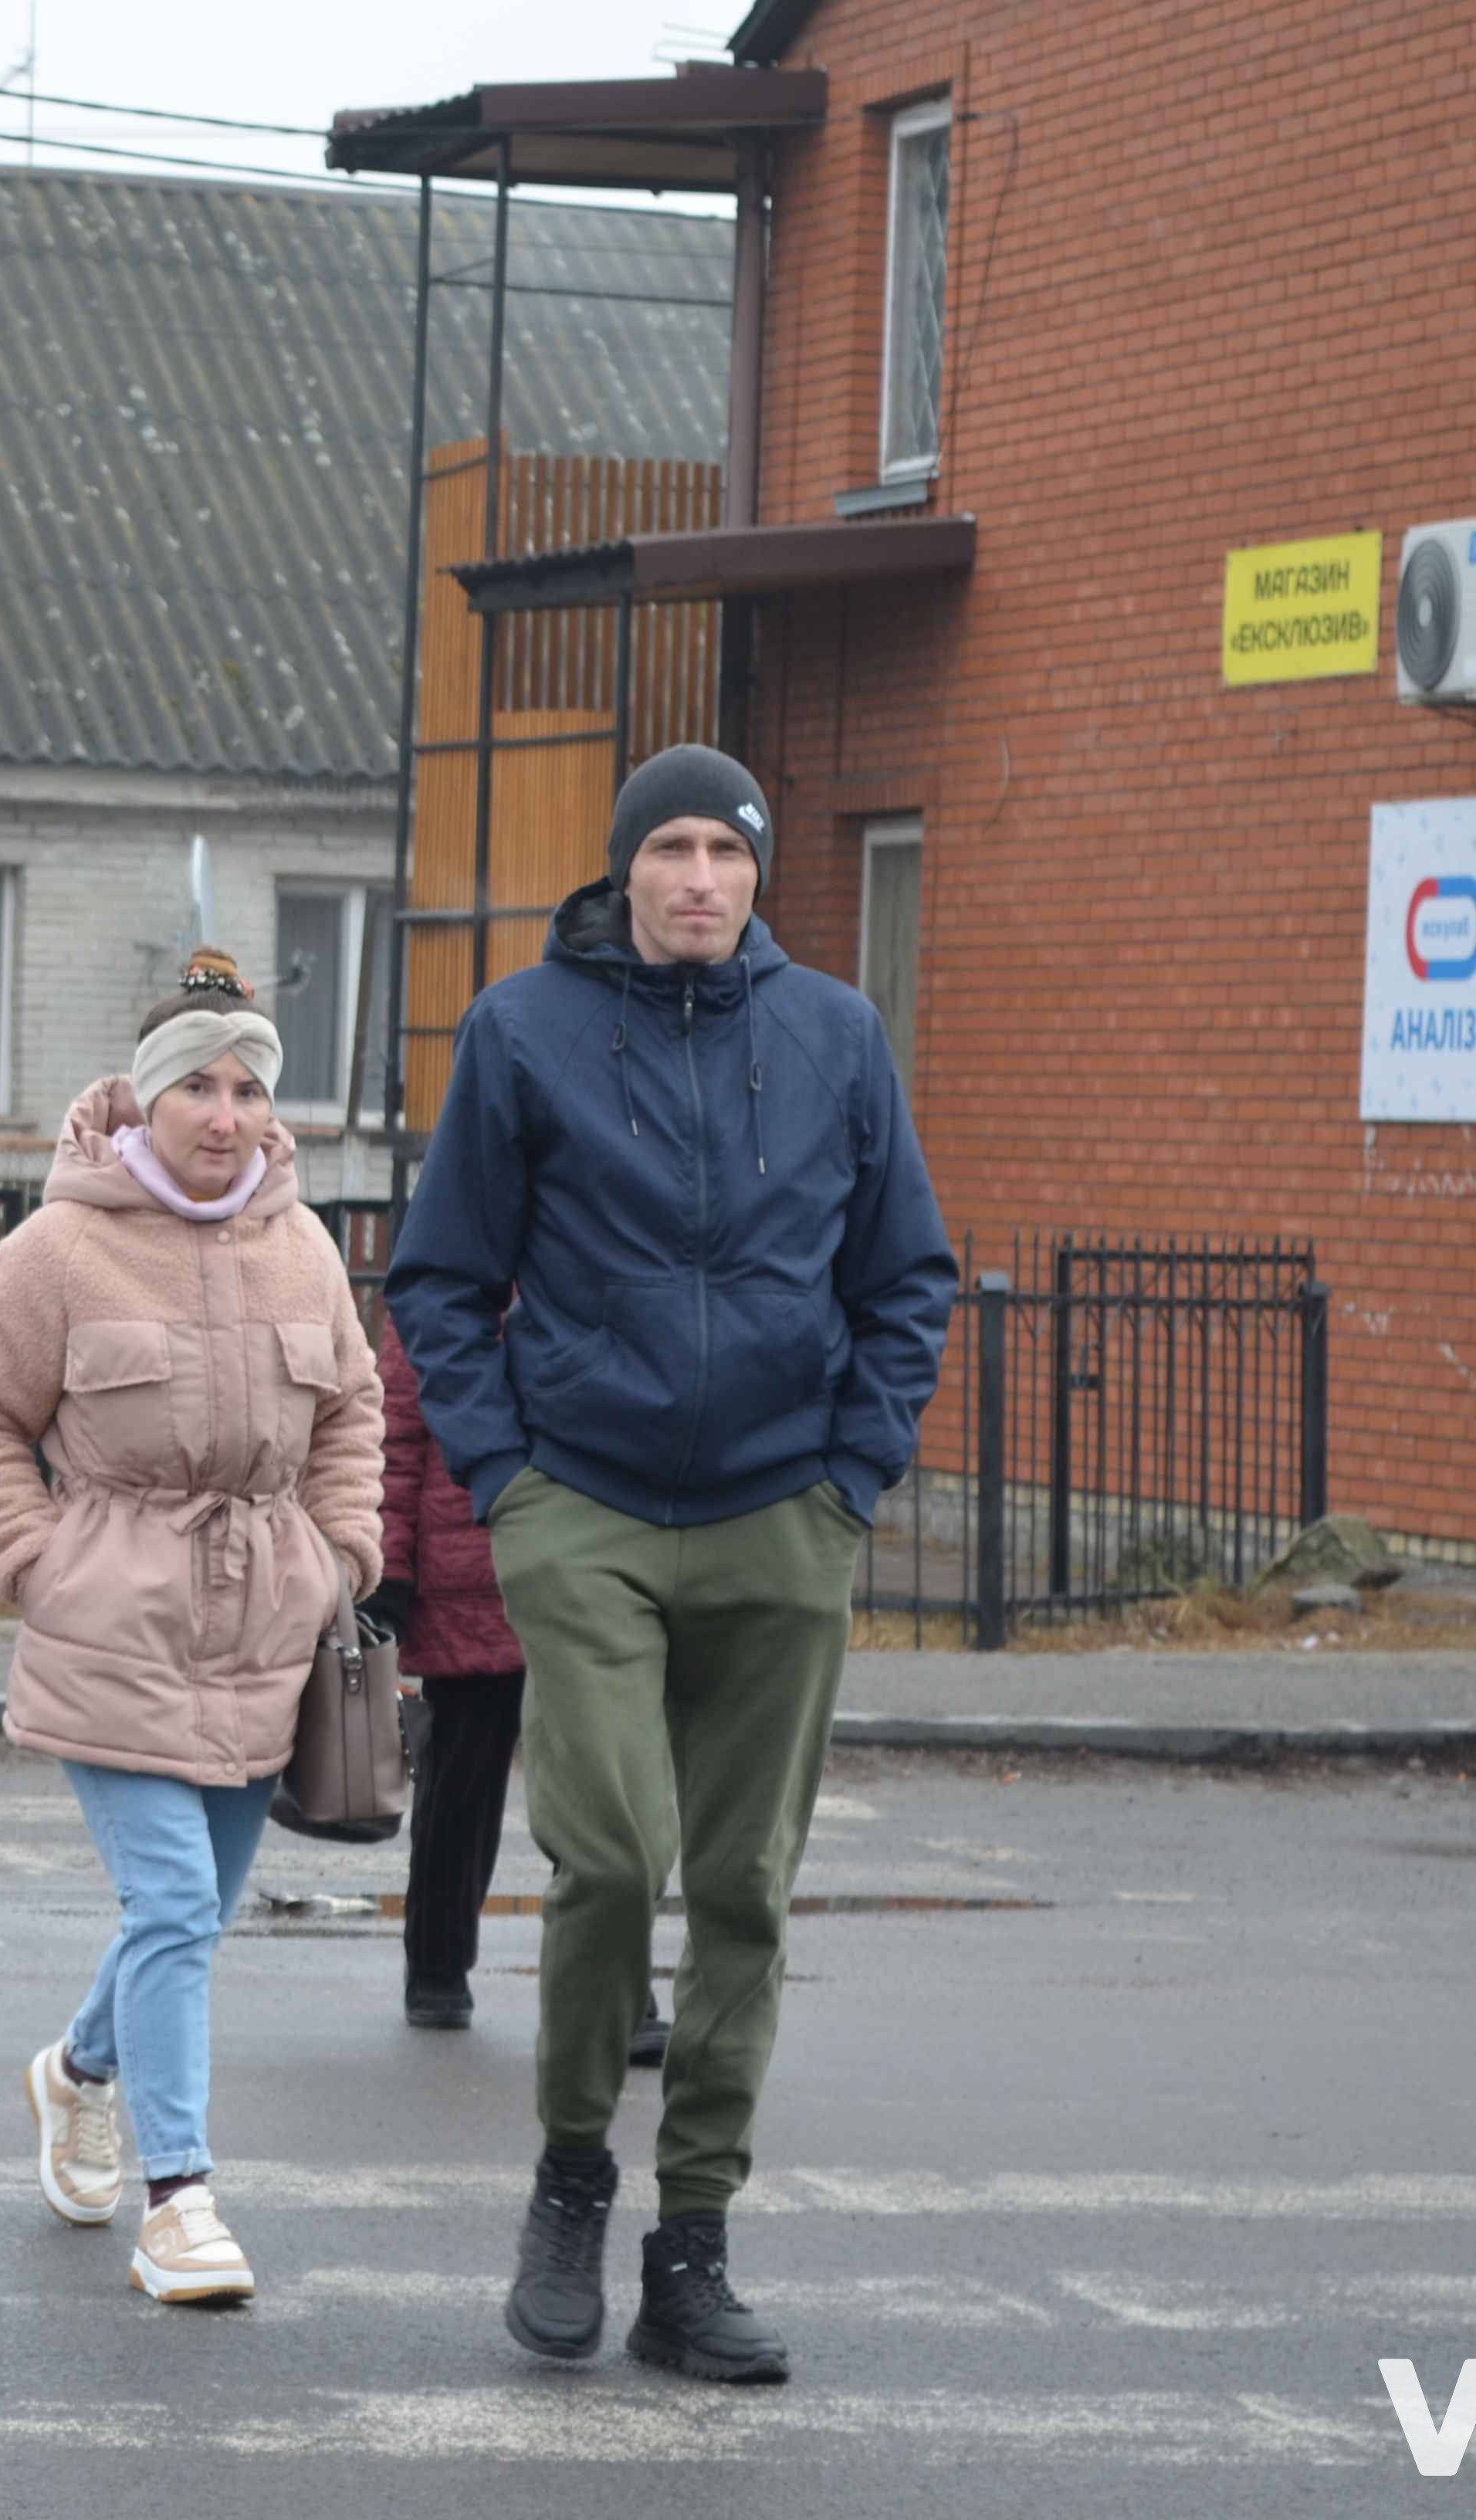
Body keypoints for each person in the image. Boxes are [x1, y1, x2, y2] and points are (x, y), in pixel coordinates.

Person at [387, 745, 955, 2385]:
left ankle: (689, 2250)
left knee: (744, 1898)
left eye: (726, 850)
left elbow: (903, 1274)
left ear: (755, 872)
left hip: (784, 1517)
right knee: (613, 1861)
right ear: (624, 870)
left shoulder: (835, 1035)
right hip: (590, 1509)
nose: (699, 878)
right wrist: (507, 1482)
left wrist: (851, 1477)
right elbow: (439, 1281)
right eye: (672, 850)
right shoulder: (522, 1032)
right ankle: (570, 2180)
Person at [0, 951, 382, 2309]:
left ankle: (75, 2071)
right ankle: (177, 2197)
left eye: (246, 1085)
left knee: (194, 1912)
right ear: (146, 1096)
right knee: (174, 1902)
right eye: (198, 1083)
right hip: (110, 1630)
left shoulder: (300, 1246)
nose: (224, 1112)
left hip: (268, 1638)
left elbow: (352, 1408)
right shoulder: (59, 1246)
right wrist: (37, 1558)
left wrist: (342, 1548)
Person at [373, 1314, 674, 2065]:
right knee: (461, 1784)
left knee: (601, 1789)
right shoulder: (446, 1273)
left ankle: (617, 1991)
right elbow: (394, 1439)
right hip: (469, 1575)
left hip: (586, 1565)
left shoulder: (602, 1253)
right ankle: (437, 1968)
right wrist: (387, 1572)